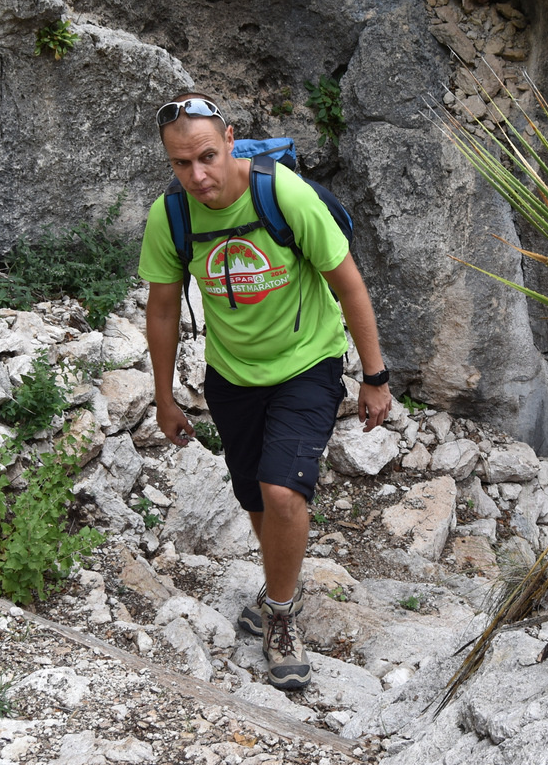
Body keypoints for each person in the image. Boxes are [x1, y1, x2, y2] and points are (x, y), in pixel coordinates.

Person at [137, 94, 392, 690]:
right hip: (232, 376)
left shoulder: (283, 196)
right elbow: (163, 308)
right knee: (255, 498)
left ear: (230, 139)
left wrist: (374, 377)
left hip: (308, 363)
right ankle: (285, 580)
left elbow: (348, 284)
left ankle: (280, 617)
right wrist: (164, 396)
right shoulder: (171, 216)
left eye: (206, 156)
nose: (197, 175)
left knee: (281, 493)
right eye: (181, 164)